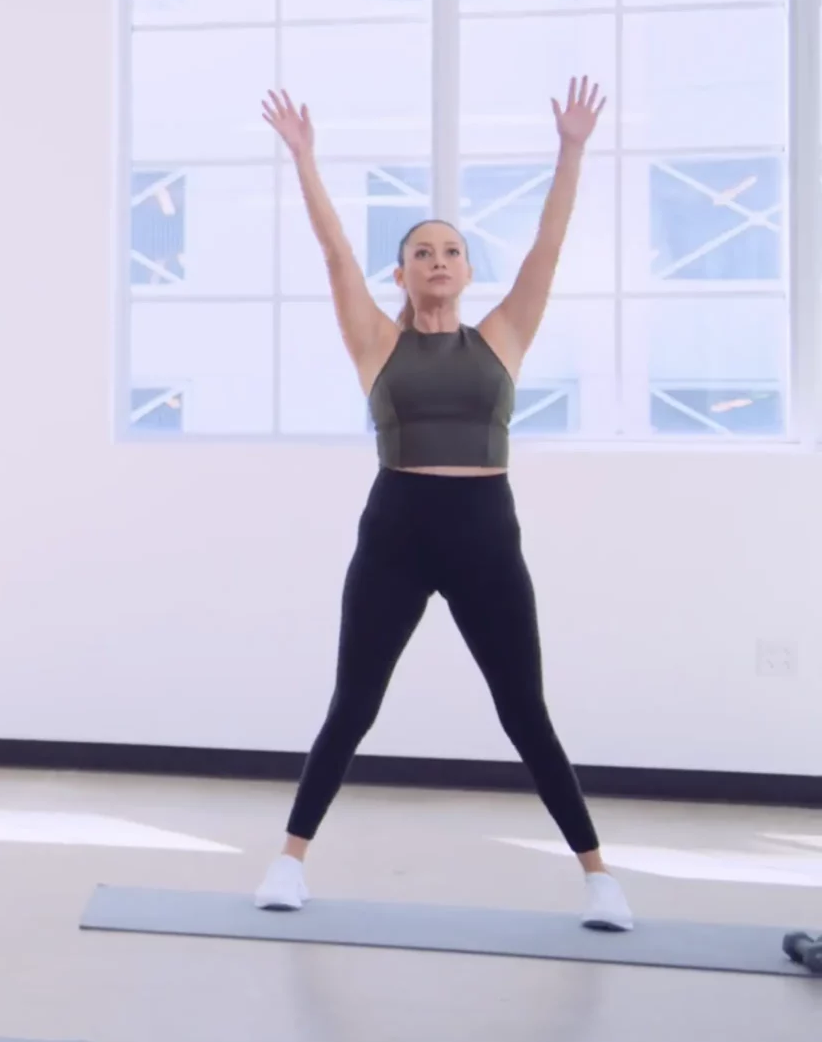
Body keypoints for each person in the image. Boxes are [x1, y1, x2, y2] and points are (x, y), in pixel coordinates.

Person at [252, 78, 634, 933]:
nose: (436, 260)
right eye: (422, 251)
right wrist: (306, 161)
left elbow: (550, 242)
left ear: (466, 271)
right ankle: (288, 862)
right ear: (404, 272)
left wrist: (571, 150)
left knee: (522, 708)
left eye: (450, 251)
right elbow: (333, 252)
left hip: (485, 535)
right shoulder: (374, 341)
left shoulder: (501, 336)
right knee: (353, 704)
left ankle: (600, 876)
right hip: (396, 531)